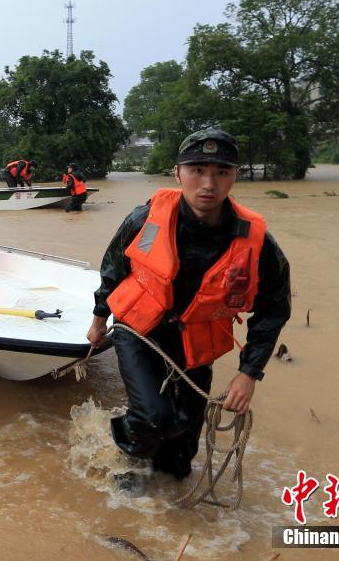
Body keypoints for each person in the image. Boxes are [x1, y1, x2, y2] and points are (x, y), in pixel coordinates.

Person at [85, 128, 291, 480]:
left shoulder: (256, 241)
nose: (208, 183)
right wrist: (100, 318)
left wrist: (249, 373)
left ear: (234, 177)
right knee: (155, 418)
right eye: (196, 170)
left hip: (196, 341)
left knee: (181, 457)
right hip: (140, 331)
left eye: (221, 172)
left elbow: (274, 307)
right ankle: (127, 464)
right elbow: (113, 266)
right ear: (178, 173)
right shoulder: (145, 217)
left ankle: (166, 492)